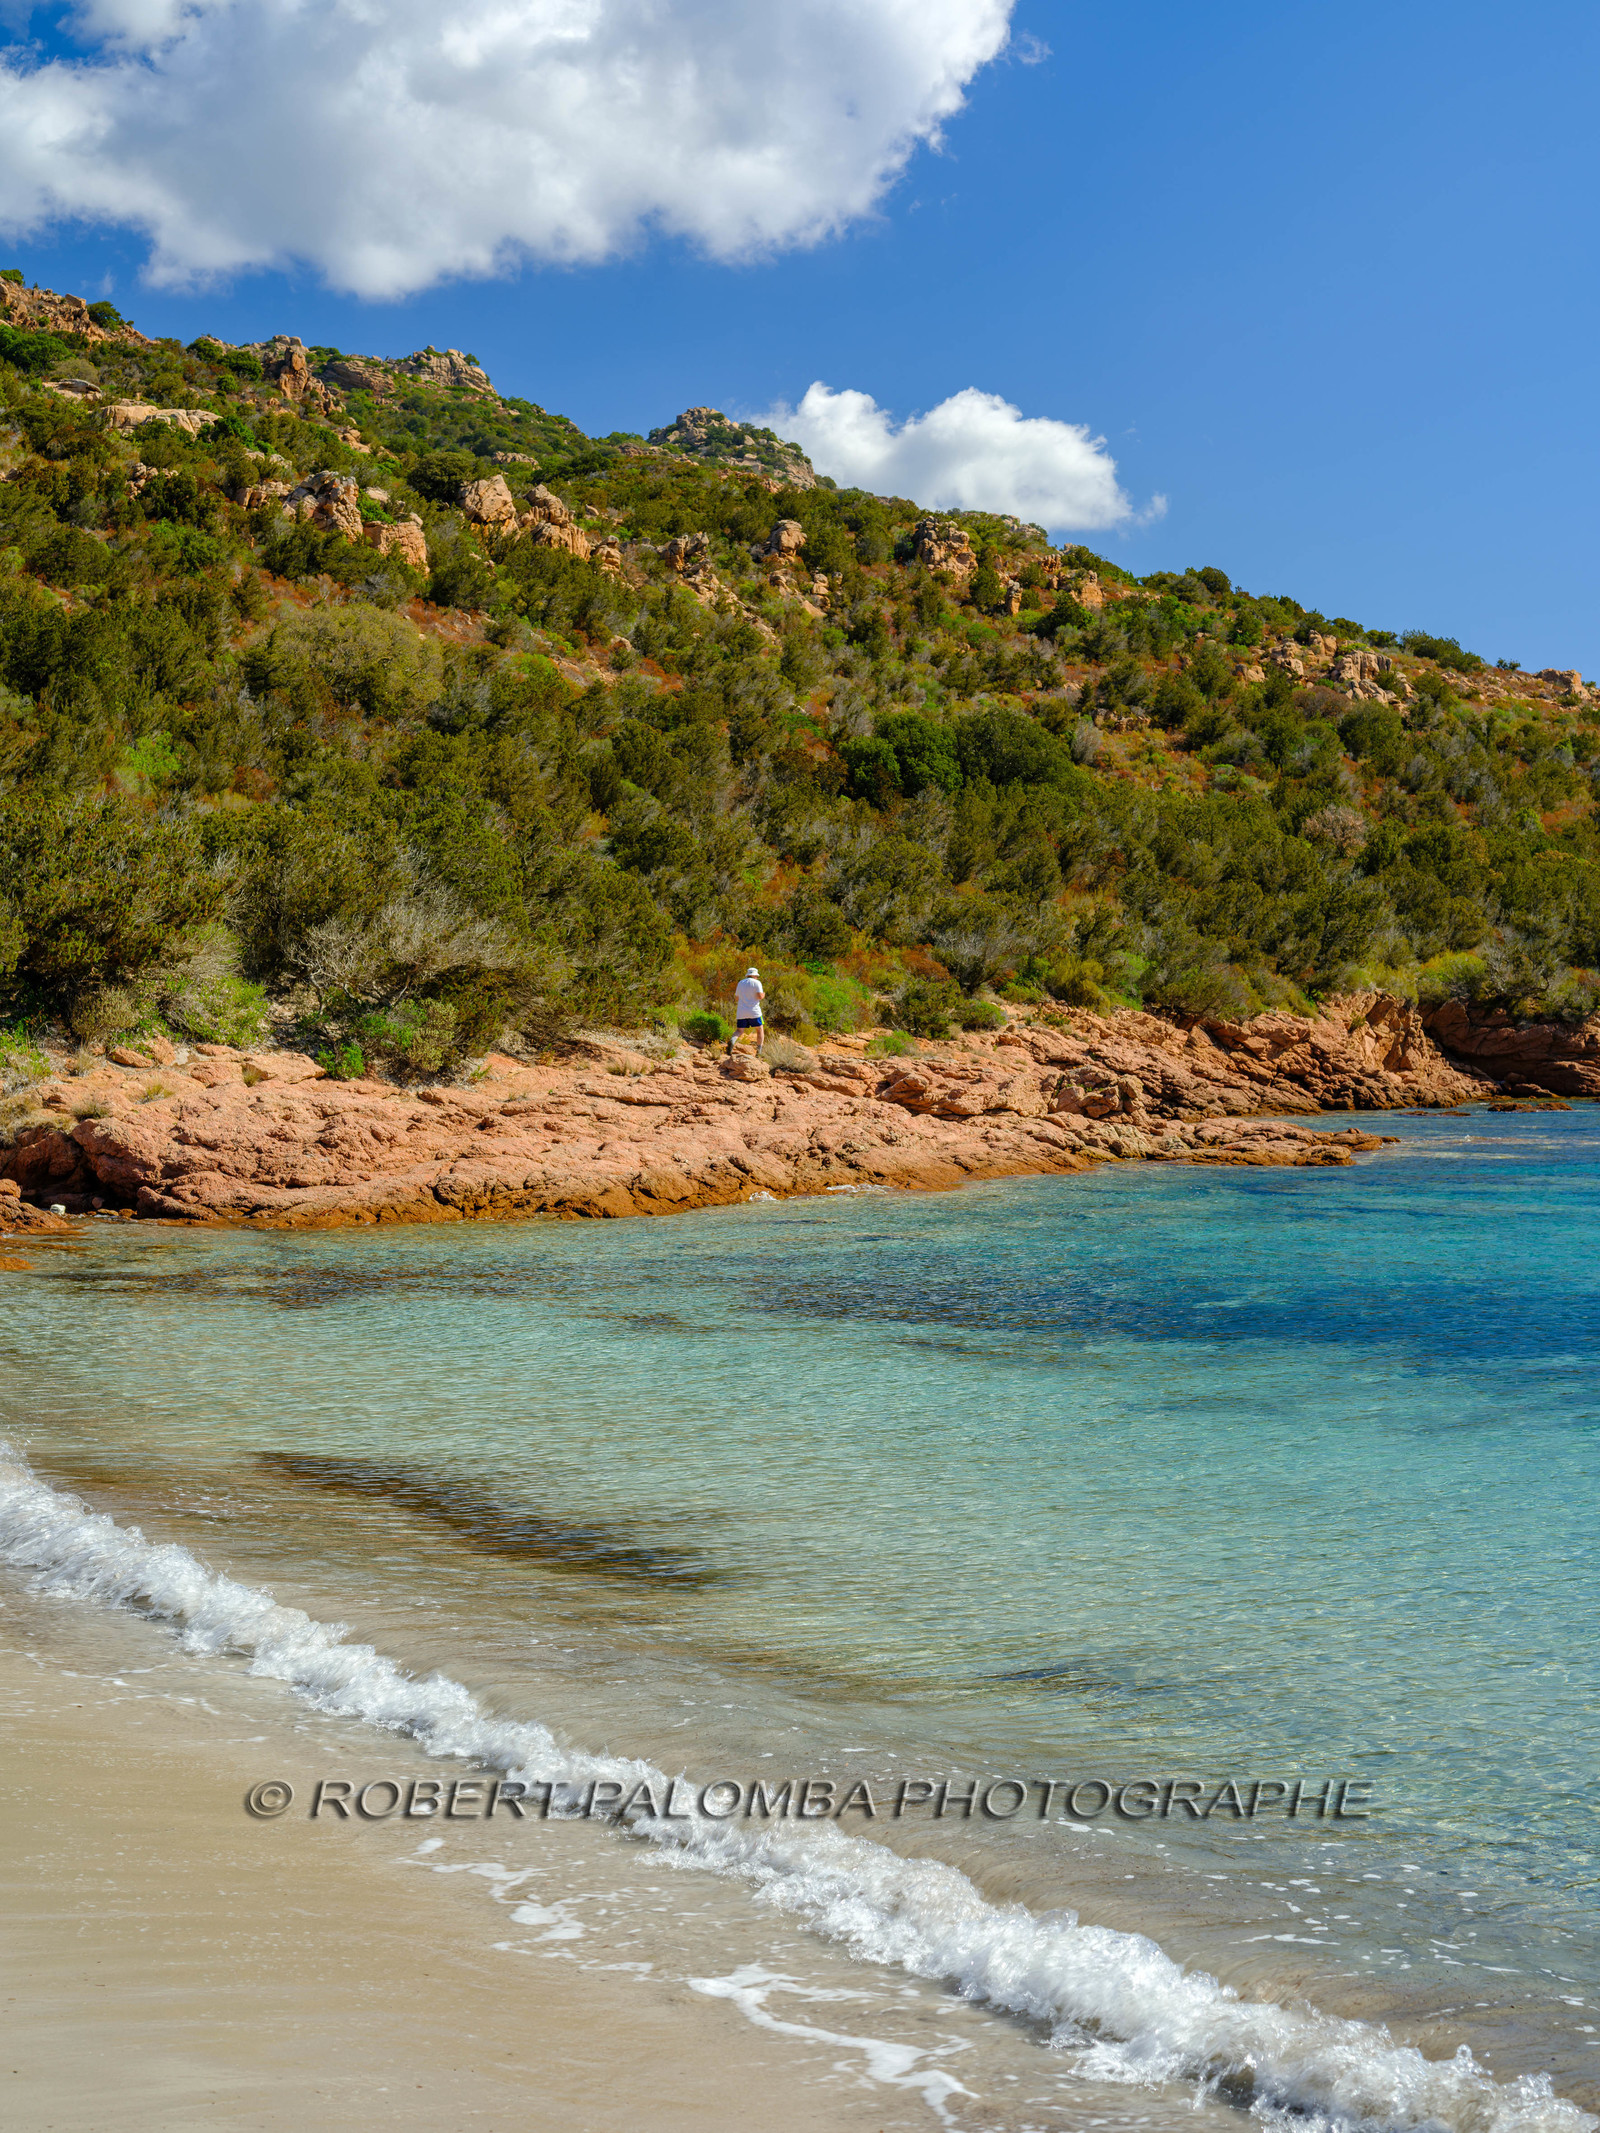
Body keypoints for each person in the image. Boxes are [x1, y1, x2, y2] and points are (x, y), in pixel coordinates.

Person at [728, 966, 766, 1055]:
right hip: (754, 1011)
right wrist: (763, 995)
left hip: (741, 1011)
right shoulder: (757, 983)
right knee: (759, 1029)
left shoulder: (740, 983)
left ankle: (732, 1040)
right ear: (755, 975)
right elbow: (760, 996)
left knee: (739, 1031)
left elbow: (736, 998)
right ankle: (759, 1051)